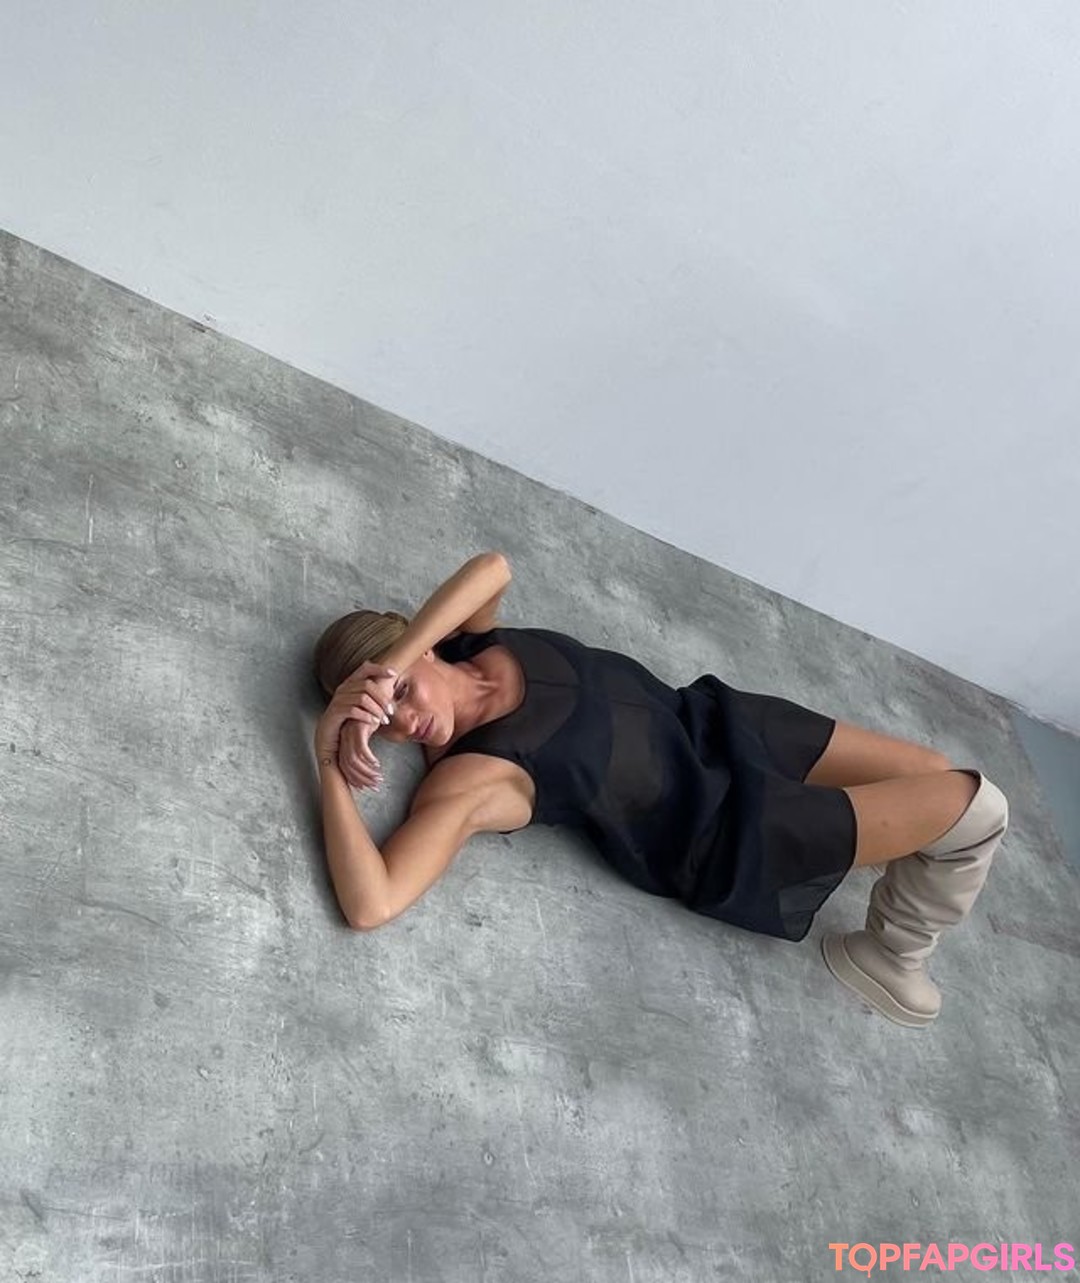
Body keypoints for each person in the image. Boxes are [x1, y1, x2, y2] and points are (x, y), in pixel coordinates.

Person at [312, 552, 1008, 1028]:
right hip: (727, 822)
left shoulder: (471, 641)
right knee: (978, 808)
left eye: (400, 691)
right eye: (384, 724)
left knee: (928, 767)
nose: (403, 722)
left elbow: (494, 567)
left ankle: (892, 846)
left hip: (721, 725)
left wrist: (387, 666)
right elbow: (373, 903)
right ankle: (889, 957)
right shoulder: (473, 774)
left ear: (424, 647)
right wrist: (327, 763)